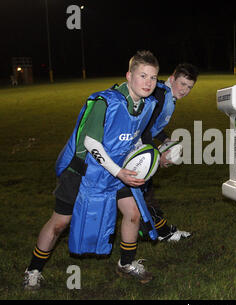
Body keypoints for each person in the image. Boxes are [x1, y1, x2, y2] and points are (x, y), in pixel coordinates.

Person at [23, 50, 160, 290]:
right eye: (143, 75)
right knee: (59, 223)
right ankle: (33, 270)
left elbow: (132, 140)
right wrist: (118, 171)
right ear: (129, 76)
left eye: (153, 77)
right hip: (82, 170)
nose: (148, 83)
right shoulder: (104, 101)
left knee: (133, 213)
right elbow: (90, 142)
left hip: (115, 171)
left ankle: (126, 264)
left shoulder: (145, 105)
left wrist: (156, 156)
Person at [137, 63, 199, 242]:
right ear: (172, 79)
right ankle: (160, 231)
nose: (185, 90)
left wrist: (165, 139)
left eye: (189, 87)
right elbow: (142, 128)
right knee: (143, 191)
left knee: (140, 192)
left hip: (137, 147)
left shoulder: (166, 95)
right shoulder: (160, 95)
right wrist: (157, 155)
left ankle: (146, 228)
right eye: (182, 84)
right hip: (133, 148)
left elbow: (153, 126)